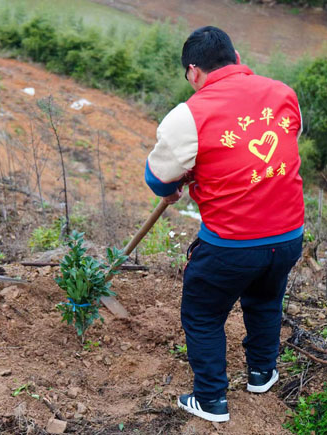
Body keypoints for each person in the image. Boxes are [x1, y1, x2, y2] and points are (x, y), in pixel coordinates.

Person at [145, 26, 304, 422]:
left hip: (230, 245)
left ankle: (211, 399)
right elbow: (285, 143)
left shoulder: (188, 114)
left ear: (193, 72)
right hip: (287, 237)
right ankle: (261, 373)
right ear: (235, 56)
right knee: (266, 300)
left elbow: (158, 179)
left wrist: (187, 175)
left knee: (202, 314)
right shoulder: (283, 93)